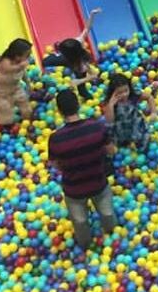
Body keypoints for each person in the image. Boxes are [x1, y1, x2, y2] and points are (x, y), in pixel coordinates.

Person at [47, 89, 118, 249]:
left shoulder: (56, 139)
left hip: (74, 189)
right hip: (98, 182)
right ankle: (112, 237)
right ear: (78, 105)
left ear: (59, 111)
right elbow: (111, 151)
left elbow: (56, 165)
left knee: (80, 222)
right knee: (107, 214)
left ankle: (86, 246)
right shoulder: (97, 127)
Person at [43, 8, 102, 101]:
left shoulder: (82, 65)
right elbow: (87, 29)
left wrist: (79, 81)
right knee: (46, 62)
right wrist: (92, 14)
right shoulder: (77, 43)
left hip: (75, 65)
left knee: (82, 90)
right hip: (67, 60)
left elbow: (93, 75)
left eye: (62, 51)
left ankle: (85, 94)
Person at [102, 73, 157, 150]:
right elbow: (110, 121)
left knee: (144, 145)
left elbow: (149, 97)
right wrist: (111, 105)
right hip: (120, 129)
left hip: (136, 125)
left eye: (126, 90)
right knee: (121, 148)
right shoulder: (109, 103)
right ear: (113, 93)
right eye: (119, 93)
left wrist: (153, 112)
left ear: (129, 88)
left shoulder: (133, 95)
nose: (124, 94)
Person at [0, 38, 34, 127]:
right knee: (7, 119)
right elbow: (9, 69)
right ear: (17, 55)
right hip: (1, 92)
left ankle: (26, 123)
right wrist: (21, 65)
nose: (29, 57)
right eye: (27, 55)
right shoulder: (5, 62)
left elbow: (23, 74)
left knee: (27, 111)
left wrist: (28, 83)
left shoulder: (21, 63)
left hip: (15, 88)